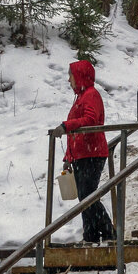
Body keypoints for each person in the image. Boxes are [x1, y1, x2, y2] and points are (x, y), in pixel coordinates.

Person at [52, 60, 116, 243]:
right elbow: (78, 131)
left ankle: (108, 231)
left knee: (88, 196)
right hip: (83, 154)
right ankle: (91, 235)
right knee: (84, 197)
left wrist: (66, 126)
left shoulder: (91, 95)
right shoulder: (81, 96)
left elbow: (90, 120)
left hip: (92, 153)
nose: (68, 80)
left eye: (71, 75)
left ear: (79, 76)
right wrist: (68, 157)